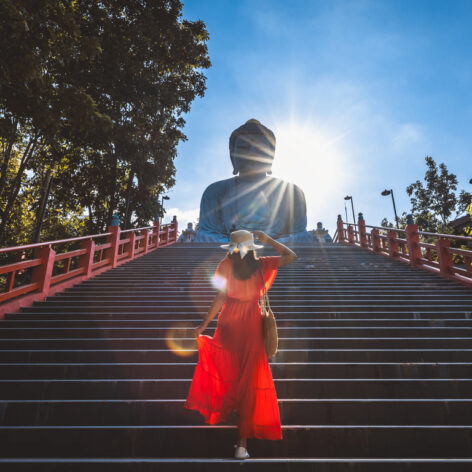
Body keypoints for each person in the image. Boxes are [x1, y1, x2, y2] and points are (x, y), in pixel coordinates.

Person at [184, 229, 297, 459]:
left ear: (233, 247)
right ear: (253, 246)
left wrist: (203, 325)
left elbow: (220, 297)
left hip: (228, 324)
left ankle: (230, 410)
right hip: (251, 327)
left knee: (229, 372)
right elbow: (291, 256)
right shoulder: (261, 264)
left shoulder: (226, 264)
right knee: (248, 380)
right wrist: (268, 240)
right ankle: (242, 445)